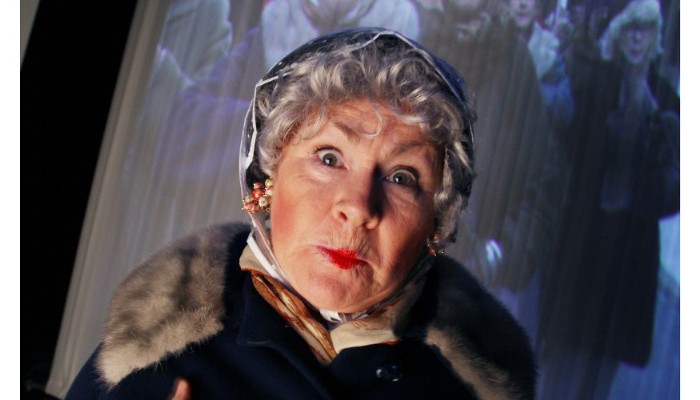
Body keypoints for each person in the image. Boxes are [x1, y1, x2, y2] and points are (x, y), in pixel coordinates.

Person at [65, 28, 536, 399]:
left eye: (401, 177)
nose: (357, 206)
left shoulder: (470, 387)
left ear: (436, 223)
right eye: (329, 158)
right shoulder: (155, 351)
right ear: (268, 178)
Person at [537, 0, 679, 398]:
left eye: (645, 29)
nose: (636, 39)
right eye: (630, 28)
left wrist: (650, 157)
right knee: (560, 367)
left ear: (655, 36)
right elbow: (568, 153)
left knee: (599, 377)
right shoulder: (595, 82)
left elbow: (675, 188)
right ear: (616, 34)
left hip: (629, 258)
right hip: (584, 244)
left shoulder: (665, 99)